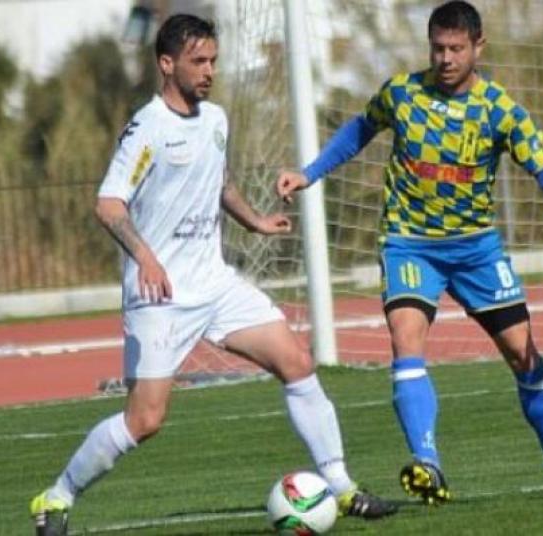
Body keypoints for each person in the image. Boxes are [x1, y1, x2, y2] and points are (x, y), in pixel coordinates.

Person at [28, 14, 396, 536]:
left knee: (296, 361)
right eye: (198, 61)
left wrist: (255, 220)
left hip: (215, 283)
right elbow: (109, 205)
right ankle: (56, 497)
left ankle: (341, 487)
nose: (209, 71)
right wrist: (146, 257)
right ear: (166, 64)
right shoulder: (148, 129)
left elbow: (220, 183)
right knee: (145, 420)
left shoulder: (216, 120)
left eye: (214, 61)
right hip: (161, 296)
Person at [277, 0, 543, 503]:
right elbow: (360, 129)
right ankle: (428, 464)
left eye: (456, 48)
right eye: (437, 48)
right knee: (405, 341)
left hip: (477, 249)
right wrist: (309, 172)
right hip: (409, 244)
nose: (445, 58)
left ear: (478, 47)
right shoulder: (402, 94)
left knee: (524, 354)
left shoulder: (499, 109)